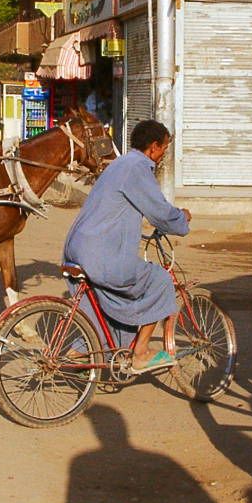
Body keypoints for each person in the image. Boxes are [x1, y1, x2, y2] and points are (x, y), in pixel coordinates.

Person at [63, 119, 191, 373]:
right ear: (154, 147)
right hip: (99, 255)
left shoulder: (119, 164)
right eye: (164, 148)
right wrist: (181, 219)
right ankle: (141, 353)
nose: (164, 154)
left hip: (77, 249)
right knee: (160, 281)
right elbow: (160, 212)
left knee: (104, 299)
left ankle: (79, 350)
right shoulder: (138, 168)